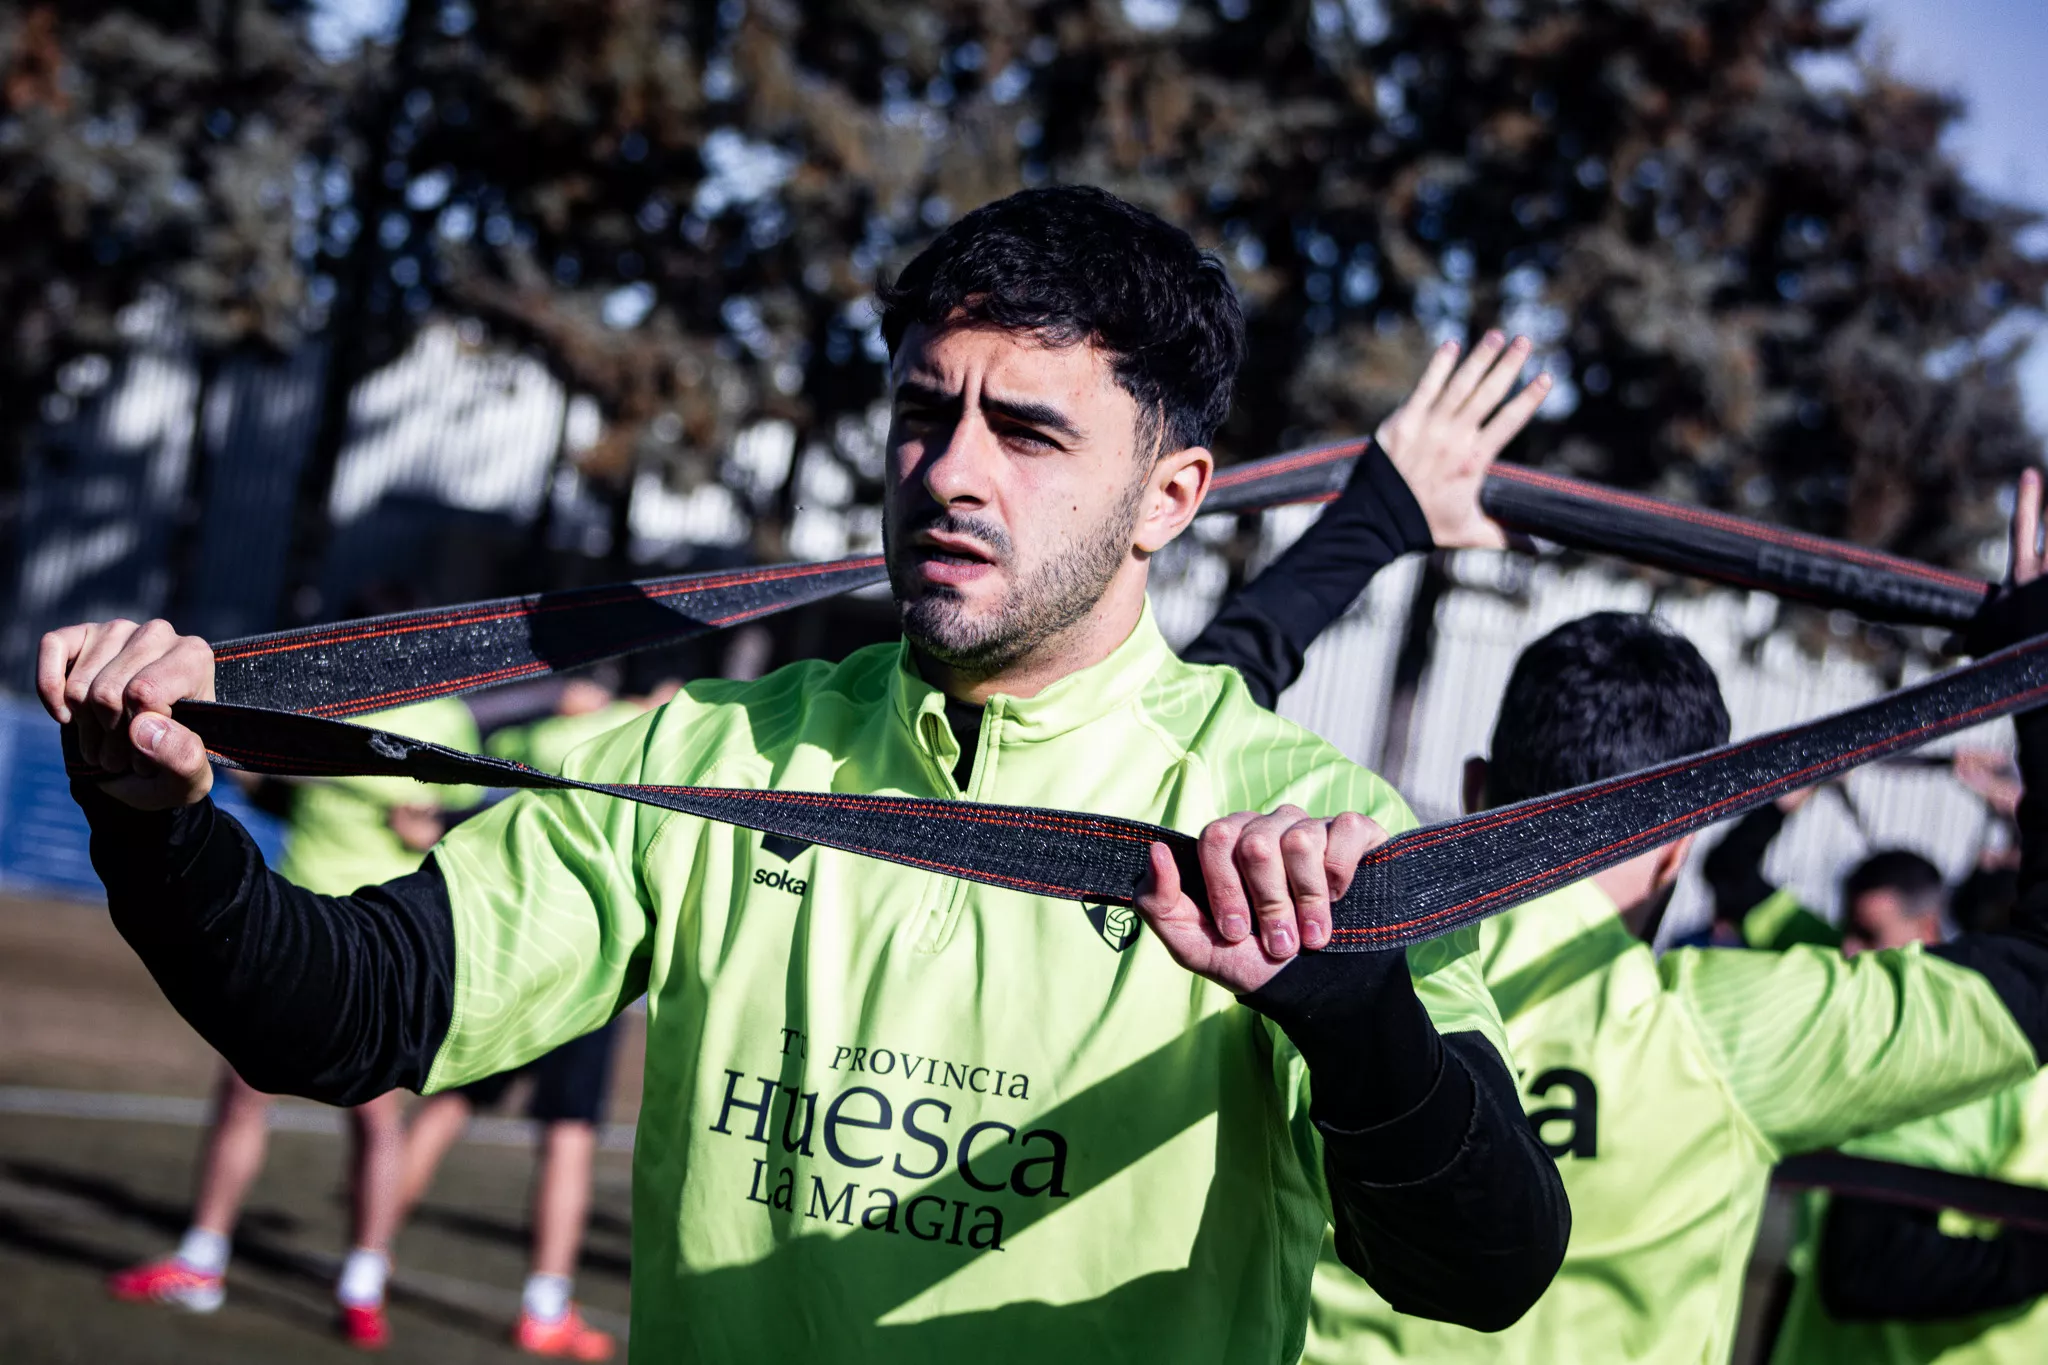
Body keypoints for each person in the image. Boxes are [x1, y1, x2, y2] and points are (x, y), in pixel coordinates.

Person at [37, 186, 1570, 1363]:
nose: (952, 470)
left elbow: (1486, 1271)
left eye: (1028, 432)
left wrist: (1357, 1023)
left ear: (1168, 496)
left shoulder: (1311, 833)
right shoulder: (705, 754)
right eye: (924, 412)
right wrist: (159, 827)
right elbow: (344, 1008)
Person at [1182, 408, 2048, 1362]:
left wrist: (1375, 523)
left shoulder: (1318, 947)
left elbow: (1180, 744)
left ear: (1477, 789)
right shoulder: (1731, 1033)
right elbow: (2038, 972)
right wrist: (2031, 680)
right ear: (1677, 850)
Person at [105, 694, 481, 1350]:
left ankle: (362, 1282)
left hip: (376, 945)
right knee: (242, 1095)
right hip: (292, 922)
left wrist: (430, 826)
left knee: (375, 1119)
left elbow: (458, 823)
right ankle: (201, 1259)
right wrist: (254, 775)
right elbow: (281, 795)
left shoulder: (447, 719)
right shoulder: (330, 696)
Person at [395, 680, 678, 1362]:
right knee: (569, 1135)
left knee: (452, 1102)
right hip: (586, 963)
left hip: (506, 955)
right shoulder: (642, 740)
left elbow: (456, 808)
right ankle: (545, 1307)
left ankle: (367, 1248)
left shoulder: (530, 734)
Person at [1698, 793, 1948, 954]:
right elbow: (1729, 869)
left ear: (1926, 932)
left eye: (1870, 936)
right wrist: (1791, 795)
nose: (1849, 949)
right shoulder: (1825, 952)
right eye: (1848, 927)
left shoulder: (1961, 1007)